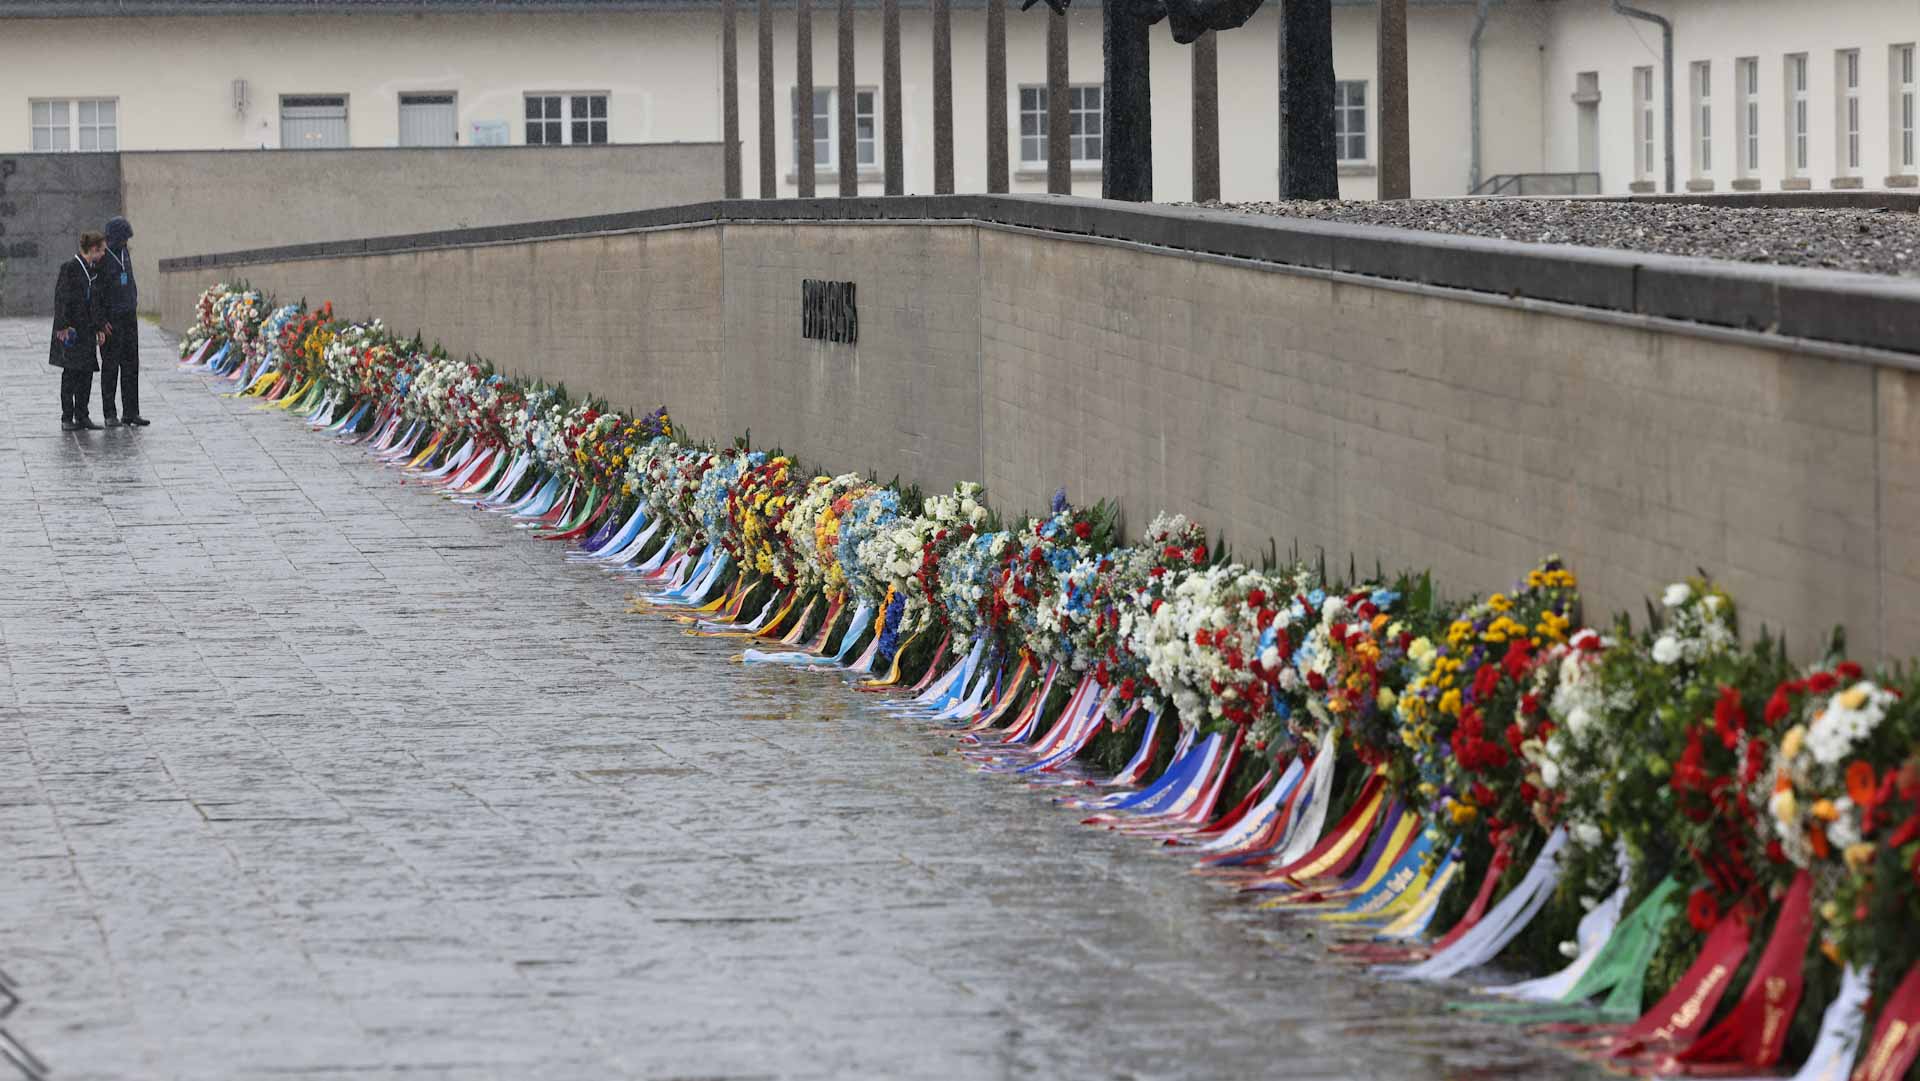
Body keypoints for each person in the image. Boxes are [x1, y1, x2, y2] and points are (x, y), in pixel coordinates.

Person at [50, 230, 107, 432]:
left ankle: (82, 415)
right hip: (72, 331)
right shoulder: (70, 268)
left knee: (86, 373)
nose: (103, 255)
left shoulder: (92, 270)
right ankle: (67, 417)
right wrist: (63, 326)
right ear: (92, 249)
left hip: (87, 330)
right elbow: (62, 298)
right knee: (71, 373)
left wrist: (99, 327)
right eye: (101, 250)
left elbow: (95, 302)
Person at [98, 215, 148, 427]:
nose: (126, 242)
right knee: (111, 367)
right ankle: (110, 414)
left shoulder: (124, 252)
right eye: (123, 238)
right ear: (114, 237)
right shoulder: (103, 258)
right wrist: (100, 321)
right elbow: (97, 292)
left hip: (129, 317)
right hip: (111, 320)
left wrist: (134, 300)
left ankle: (131, 412)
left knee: (131, 365)